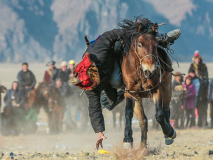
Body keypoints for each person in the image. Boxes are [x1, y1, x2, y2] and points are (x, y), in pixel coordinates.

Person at [71, 17, 181, 149]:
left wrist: (141, 33)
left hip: (114, 57)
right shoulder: (90, 86)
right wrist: (99, 132)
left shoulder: (101, 49)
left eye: (94, 82)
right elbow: (94, 107)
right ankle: (126, 120)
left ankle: (162, 38)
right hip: (111, 74)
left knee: (137, 45)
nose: (94, 85)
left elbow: (111, 34)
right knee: (118, 81)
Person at [189, 51, 208, 127]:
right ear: (194, 59)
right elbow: (189, 76)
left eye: (198, 59)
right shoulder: (191, 66)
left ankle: (204, 121)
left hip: (202, 87)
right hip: (193, 86)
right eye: (196, 59)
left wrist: (202, 79)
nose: (197, 60)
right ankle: (193, 123)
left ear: (200, 59)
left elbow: (206, 75)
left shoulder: (203, 66)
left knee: (202, 107)